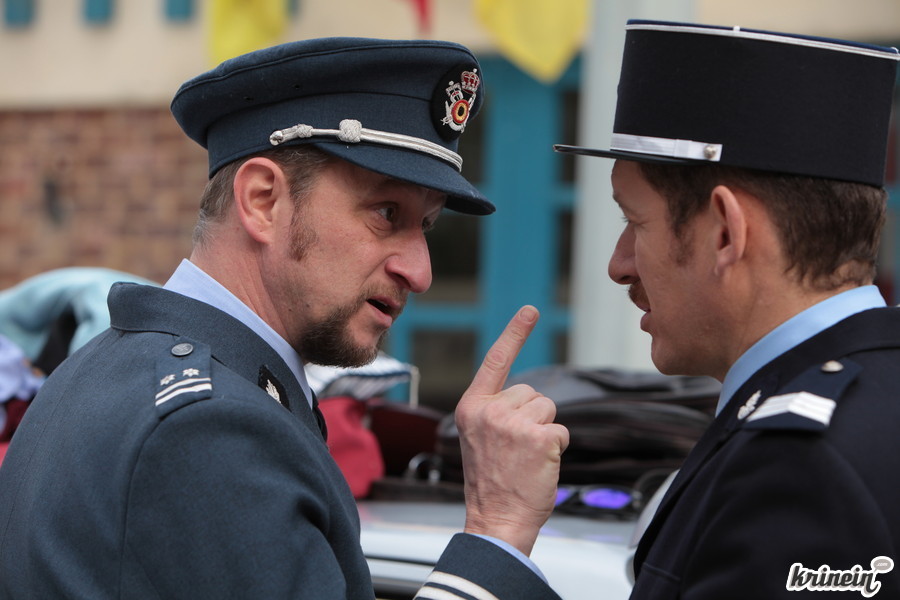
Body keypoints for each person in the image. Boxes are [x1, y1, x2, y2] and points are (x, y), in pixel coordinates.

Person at [0, 38, 568, 599]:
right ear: (262, 200)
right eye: (386, 212)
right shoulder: (210, 429)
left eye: (426, 225)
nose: (419, 271)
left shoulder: (107, 373)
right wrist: (497, 531)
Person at [555, 20, 900, 598]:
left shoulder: (795, 466)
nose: (619, 264)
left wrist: (498, 549)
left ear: (724, 232)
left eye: (635, 221)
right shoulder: (852, 411)